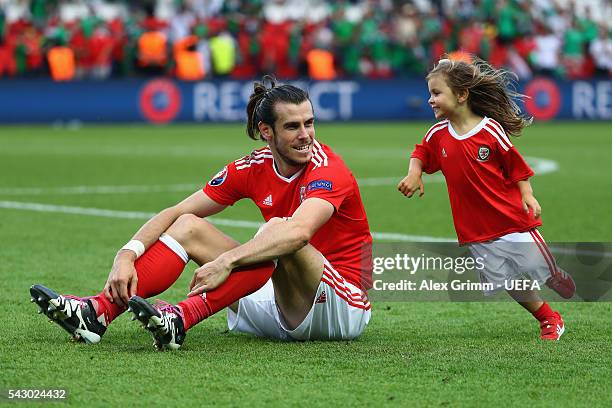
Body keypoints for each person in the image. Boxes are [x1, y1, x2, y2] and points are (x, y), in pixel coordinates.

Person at [30, 76, 372, 349]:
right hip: (279, 306)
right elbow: (175, 212)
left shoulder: (327, 168)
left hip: (341, 308)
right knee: (189, 225)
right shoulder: (252, 168)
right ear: (267, 131)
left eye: (309, 123)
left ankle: (183, 315)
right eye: (293, 126)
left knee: (276, 232)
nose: (306, 135)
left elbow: (298, 234)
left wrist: (228, 261)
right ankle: (99, 313)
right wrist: (126, 254)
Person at [397, 58, 575, 341]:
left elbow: (515, 165)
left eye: (436, 93)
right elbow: (420, 153)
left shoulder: (489, 130)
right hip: (475, 230)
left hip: (510, 218)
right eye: (429, 93)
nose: (430, 100)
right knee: (508, 280)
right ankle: (548, 318)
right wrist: (414, 173)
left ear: (461, 95)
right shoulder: (437, 134)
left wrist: (527, 193)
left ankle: (553, 274)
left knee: (533, 263)